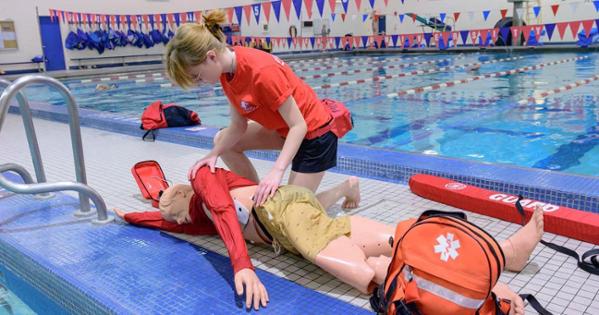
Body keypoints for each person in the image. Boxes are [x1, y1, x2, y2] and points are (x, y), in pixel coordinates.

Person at [115, 166, 542, 313]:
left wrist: (242, 264)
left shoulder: (203, 179)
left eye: (165, 198)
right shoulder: (192, 217)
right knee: (399, 237)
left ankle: (486, 289)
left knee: (369, 276)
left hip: (287, 216)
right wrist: (128, 214)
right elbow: (166, 223)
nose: (163, 204)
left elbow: (226, 215)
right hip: (297, 212)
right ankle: (503, 254)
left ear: (182, 191)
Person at [165, 11, 344, 208]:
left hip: (314, 135)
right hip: (284, 131)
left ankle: (346, 188)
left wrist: (277, 171)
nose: (200, 83)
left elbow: (299, 126)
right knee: (222, 141)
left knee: (290, 211)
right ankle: (255, 198)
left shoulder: (261, 72)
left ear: (211, 57)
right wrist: (213, 154)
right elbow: (237, 125)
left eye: (197, 76)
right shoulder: (227, 72)